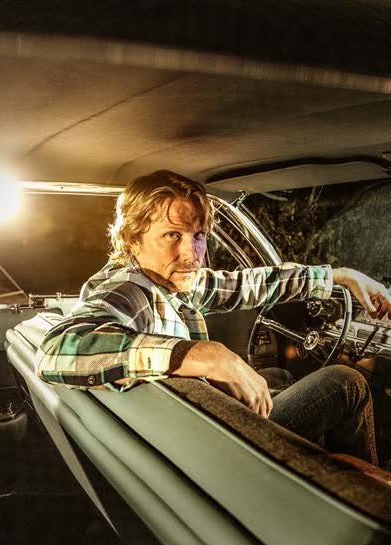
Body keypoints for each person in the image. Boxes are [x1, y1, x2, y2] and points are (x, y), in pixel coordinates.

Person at [36, 170, 391, 465]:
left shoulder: (169, 282)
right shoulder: (130, 290)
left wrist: (340, 277)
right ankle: (366, 495)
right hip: (214, 450)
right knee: (347, 383)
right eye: (172, 235)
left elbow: (249, 285)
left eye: (198, 236)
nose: (191, 254)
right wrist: (208, 355)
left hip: (197, 429)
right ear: (132, 239)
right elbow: (56, 349)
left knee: (278, 375)